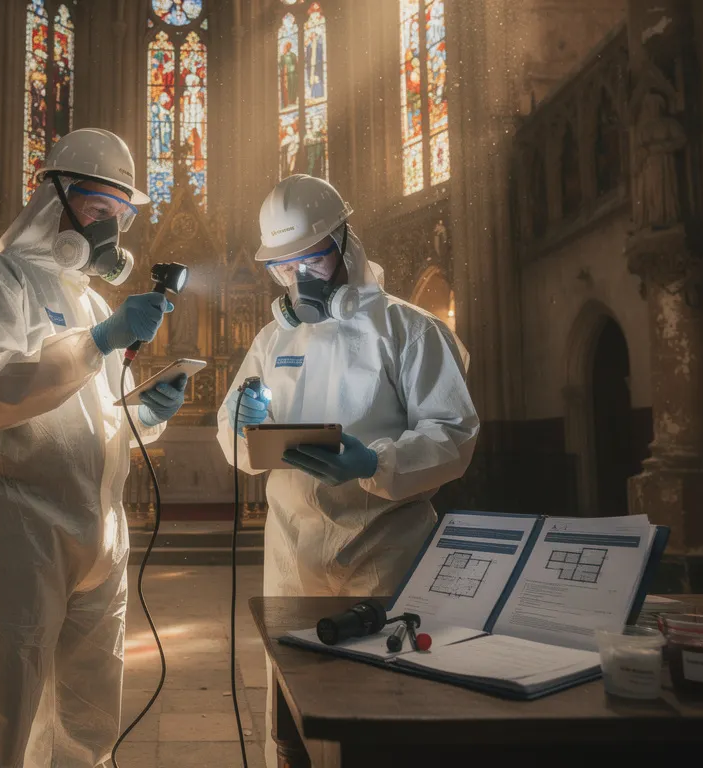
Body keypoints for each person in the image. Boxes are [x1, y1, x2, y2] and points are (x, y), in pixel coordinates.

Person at [0, 127, 190, 768]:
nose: (111, 234)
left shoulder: (92, 300)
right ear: (55, 201)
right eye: (100, 212)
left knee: (88, 716)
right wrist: (100, 342)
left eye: (121, 218)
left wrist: (143, 415)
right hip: (17, 525)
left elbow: (92, 420)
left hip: (99, 527)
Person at [216, 174, 480, 766]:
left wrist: (375, 463)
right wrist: (241, 422)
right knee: (293, 718)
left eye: (310, 260)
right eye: (283, 268)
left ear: (345, 244)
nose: (299, 280)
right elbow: (232, 441)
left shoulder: (408, 328)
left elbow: (454, 434)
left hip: (386, 552)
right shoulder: (268, 341)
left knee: (387, 708)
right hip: (291, 555)